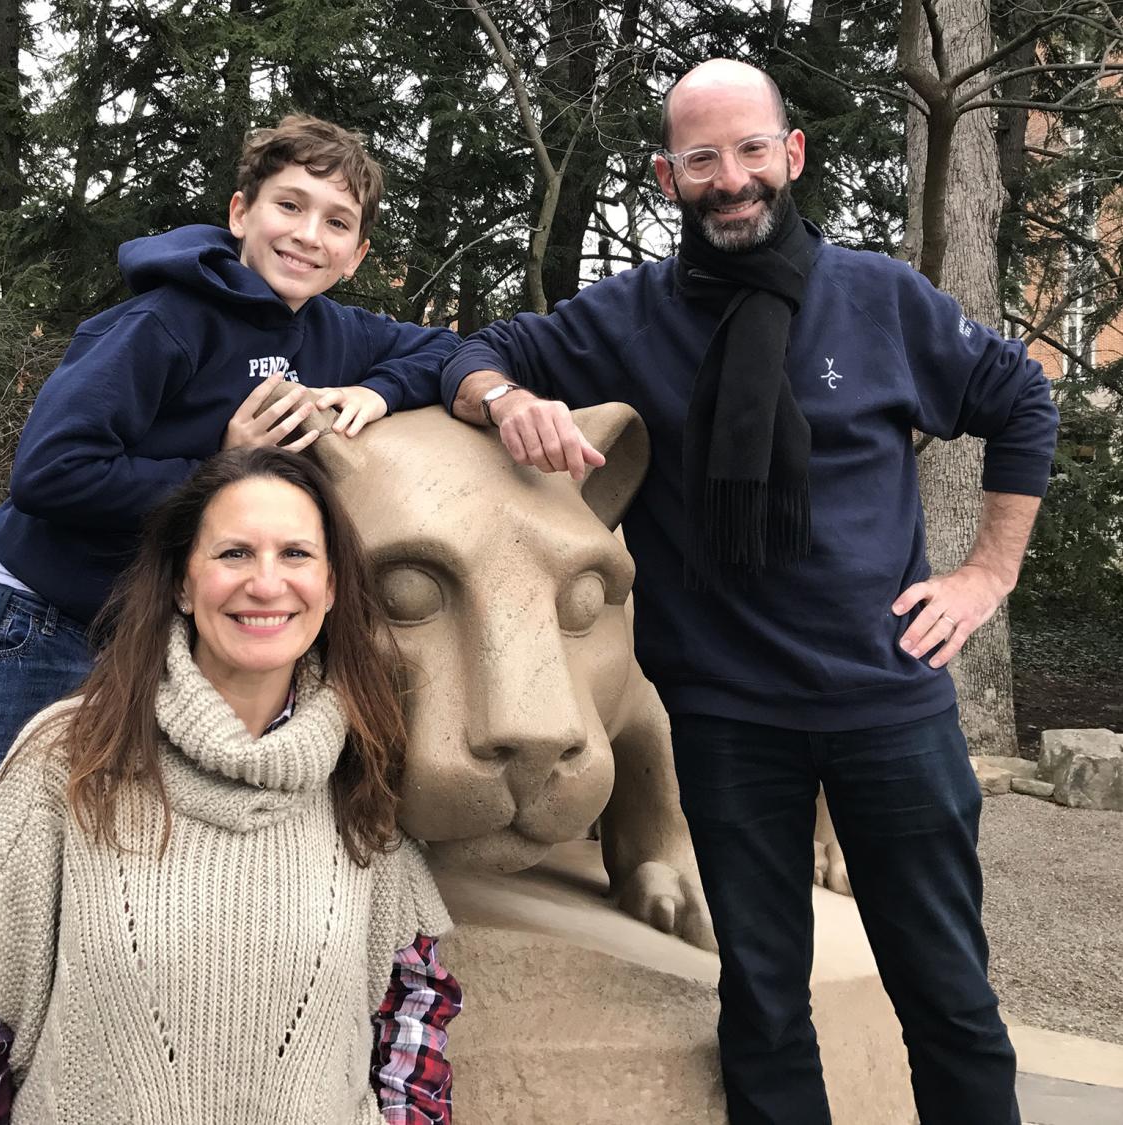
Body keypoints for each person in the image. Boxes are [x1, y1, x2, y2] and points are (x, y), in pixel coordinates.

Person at [0, 115, 459, 1125]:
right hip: (32, 628)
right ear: (240, 213)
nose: (308, 235)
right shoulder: (164, 322)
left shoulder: (329, 332)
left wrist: (374, 389)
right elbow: (50, 472)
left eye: (337, 221)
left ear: (358, 251)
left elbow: (450, 350)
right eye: (288, 206)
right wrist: (212, 470)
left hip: (142, 639)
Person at [440, 59, 1057, 1125]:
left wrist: (984, 575)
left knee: (949, 999)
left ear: (792, 155)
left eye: (750, 150)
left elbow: (1023, 402)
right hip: (727, 727)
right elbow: (478, 354)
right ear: (667, 175)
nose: (731, 179)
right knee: (764, 1005)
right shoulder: (625, 320)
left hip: (890, 710)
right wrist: (501, 400)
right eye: (702, 158)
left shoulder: (883, 300)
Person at [0, 447, 459, 1124]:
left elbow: (414, 1008)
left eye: (295, 554)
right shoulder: (71, 760)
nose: (266, 583)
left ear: (333, 584)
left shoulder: (363, 768)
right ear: (180, 582)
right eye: (233, 553)